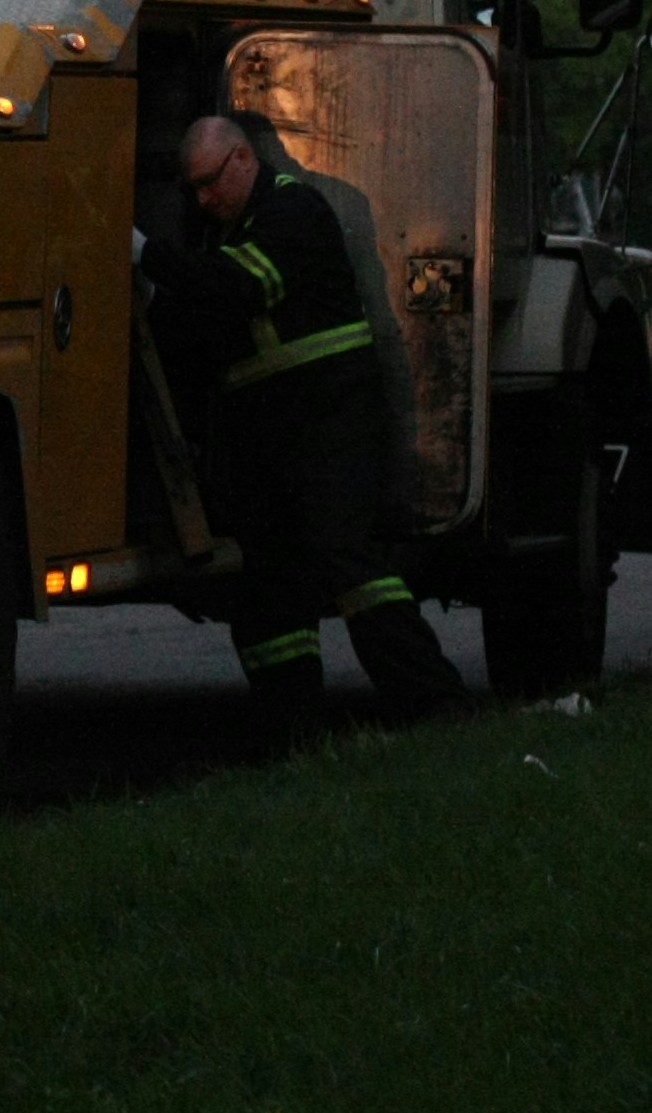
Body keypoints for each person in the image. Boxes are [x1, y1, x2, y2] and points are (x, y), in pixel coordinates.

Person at [144, 114, 469, 727]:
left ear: (243, 160)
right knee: (269, 583)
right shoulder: (226, 230)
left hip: (330, 421)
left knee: (347, 561)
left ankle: (435, 702)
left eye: (210, 182)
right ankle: (290, 728)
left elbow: (242, 288)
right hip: (271, 435)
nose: (203, 198)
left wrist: (150, 259)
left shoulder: (294, 212)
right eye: (193, 189)